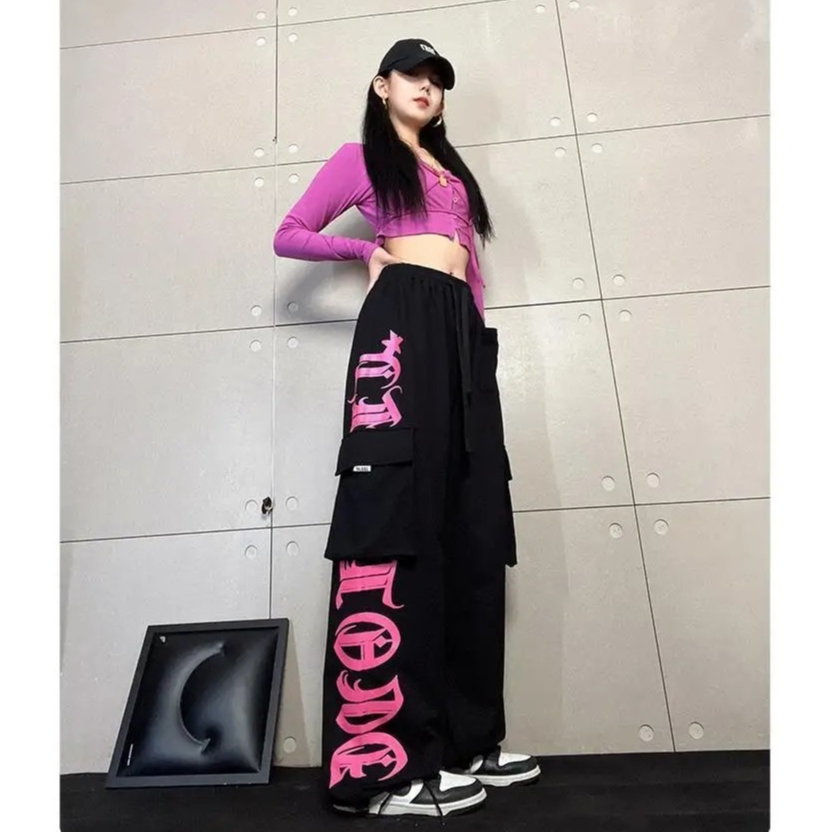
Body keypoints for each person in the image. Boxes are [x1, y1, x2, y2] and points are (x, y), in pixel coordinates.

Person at [273, 38, 540, 819]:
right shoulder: (361, 159)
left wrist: (476, 342)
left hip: (460, 332)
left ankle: (464, 739)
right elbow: (290, 232)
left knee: (473, 522)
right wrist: (365, 251)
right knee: (398, 522)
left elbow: (469, 266)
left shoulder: (451, 173)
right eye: (413, 76)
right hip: (402, 323)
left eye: (437, 81)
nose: (427, 88)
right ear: (381, 85)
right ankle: (384, 767)